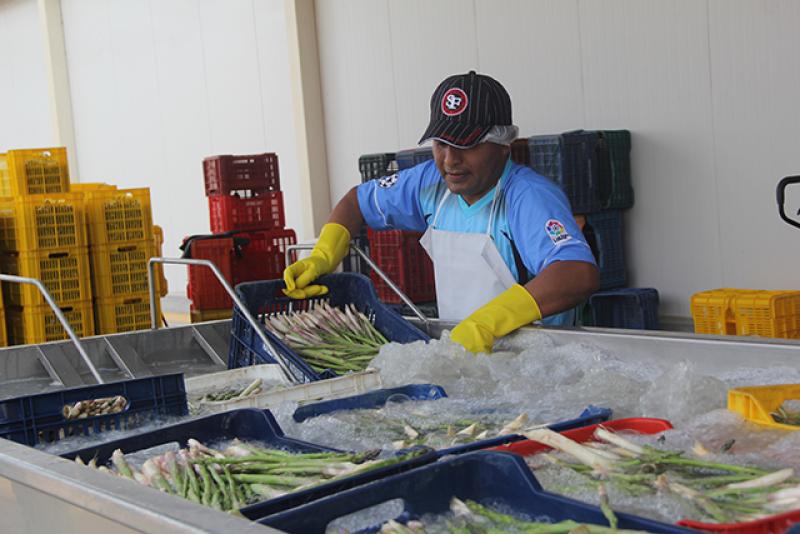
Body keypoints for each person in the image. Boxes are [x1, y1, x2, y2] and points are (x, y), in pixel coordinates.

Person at [283, 71, 599, 353]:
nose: (450, 160)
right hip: (464, 358)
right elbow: (356, 202)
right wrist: (323, 255)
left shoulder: (527, 197)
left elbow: (576, 273)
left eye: (468, 145)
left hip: (537, 365)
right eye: (441, 144)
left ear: (503, 143)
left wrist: (487, 323)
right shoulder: (431, 182)